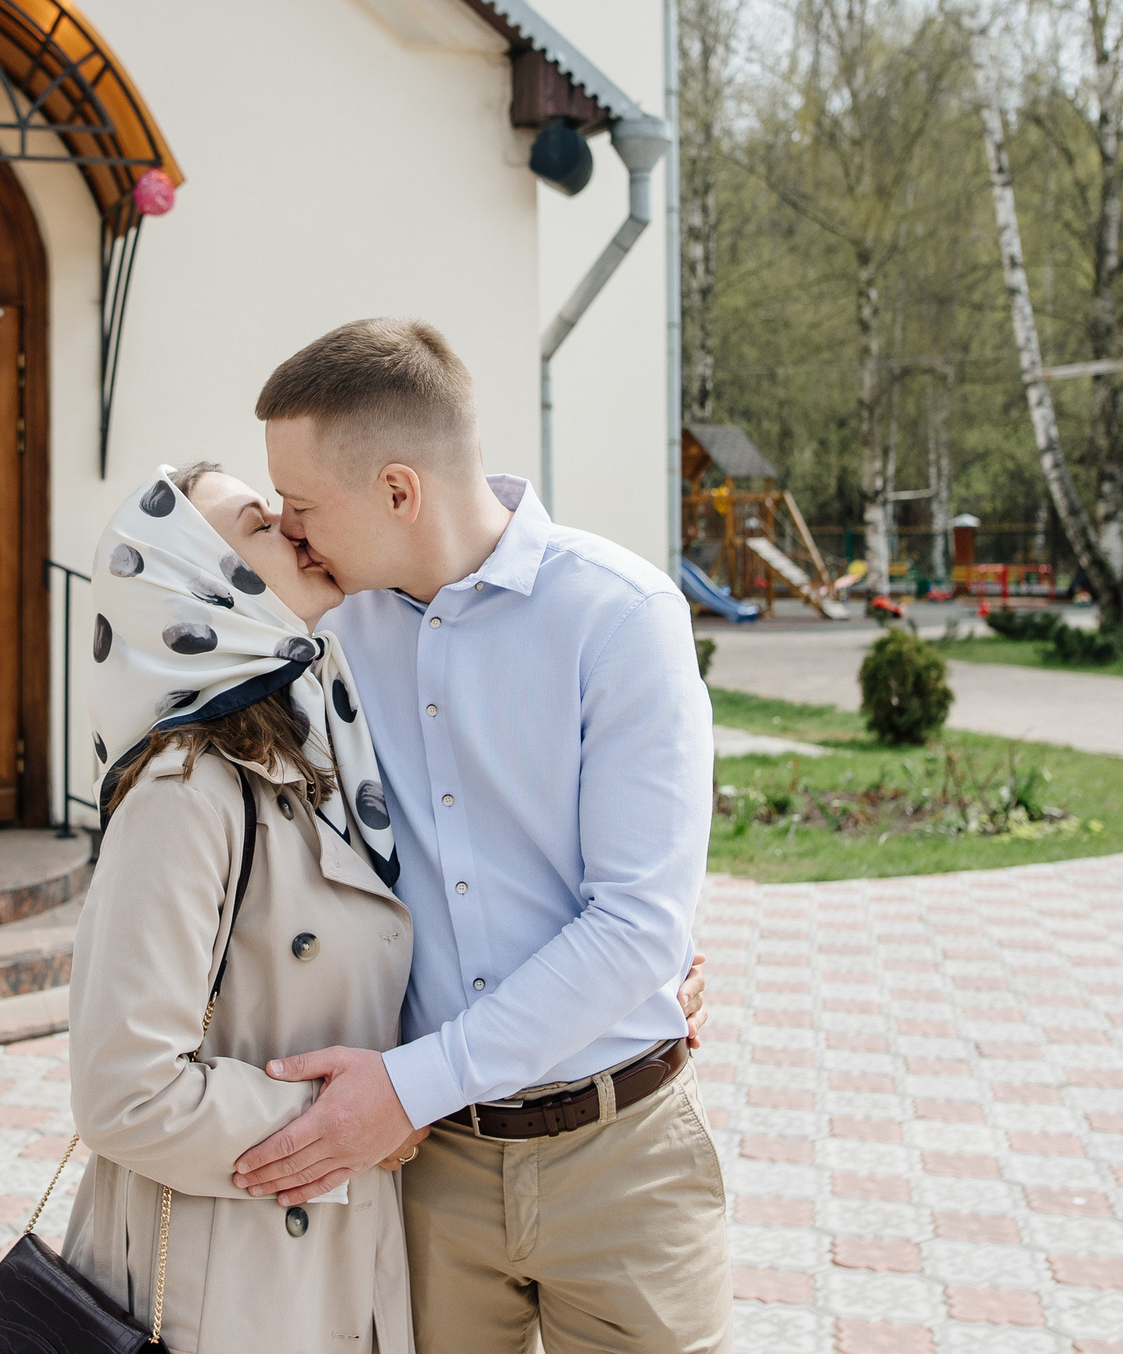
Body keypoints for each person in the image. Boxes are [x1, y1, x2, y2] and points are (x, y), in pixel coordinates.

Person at [58, 462, 711, 1352]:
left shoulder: (332, 736)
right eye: (260, 523)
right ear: (206, 585)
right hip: (227, 1269)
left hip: (357, 1232)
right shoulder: (182, 788)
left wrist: (634, 974)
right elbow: (122, 1089)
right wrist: (357, 1119)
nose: (294, 525)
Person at [230, 319, 734, 1353]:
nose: (289, 531)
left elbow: (638, 923)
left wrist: (408, 1086)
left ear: (399, 491)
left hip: (623, 1161)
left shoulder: (620, 615)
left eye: (303, 504)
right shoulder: (326, 637)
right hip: (429, 1175)